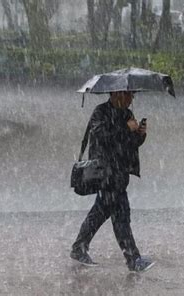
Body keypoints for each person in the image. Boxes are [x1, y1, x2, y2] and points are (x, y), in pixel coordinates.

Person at [70, 91, 155, 272]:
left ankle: (79, 247)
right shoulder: (100, 112)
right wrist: (125, 128)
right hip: (106, 173)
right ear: (117, 94)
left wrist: (139, 134)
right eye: (129, 95)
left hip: (120, 173)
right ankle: (133, 259)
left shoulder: (127, 114)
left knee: (102, 213)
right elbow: (101, 137)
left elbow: (131, 142)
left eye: (132, 95)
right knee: (121, 216)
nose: (132, 99)